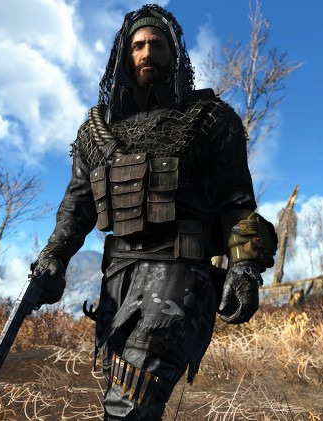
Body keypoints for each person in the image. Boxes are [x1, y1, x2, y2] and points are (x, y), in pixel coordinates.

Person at [32, 4, 276, 419]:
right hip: (118, 279)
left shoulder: (209, 119)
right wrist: (54, 255)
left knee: (129, 403)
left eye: (157, 44)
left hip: (180, 273)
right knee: (124, 399)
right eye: (138, 45)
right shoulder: (97, 133)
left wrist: (245, 266)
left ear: (174, 54)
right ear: (124, 56)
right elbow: (76, 206)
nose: (147, 52)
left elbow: (236, 202)